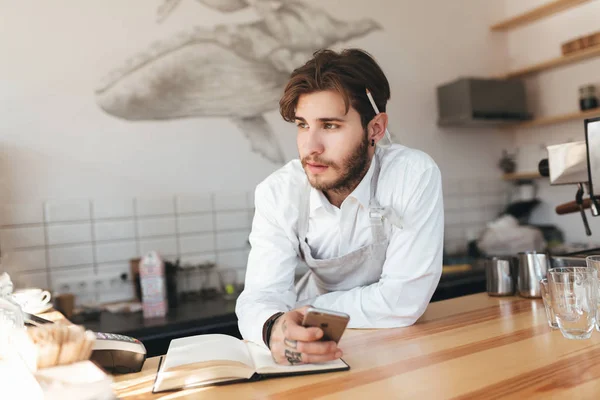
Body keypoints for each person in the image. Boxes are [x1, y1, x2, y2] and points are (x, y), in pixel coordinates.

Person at [235, 48, 444, 365]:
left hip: (399, 345)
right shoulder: (278, 193)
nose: (311, 147)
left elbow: (404, 301)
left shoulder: (413, 175)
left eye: (330, 125)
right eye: (302, 125)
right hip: (317, 343)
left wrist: (309, 307)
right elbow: (259, 297)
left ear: (375, 129)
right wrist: (274, 327)